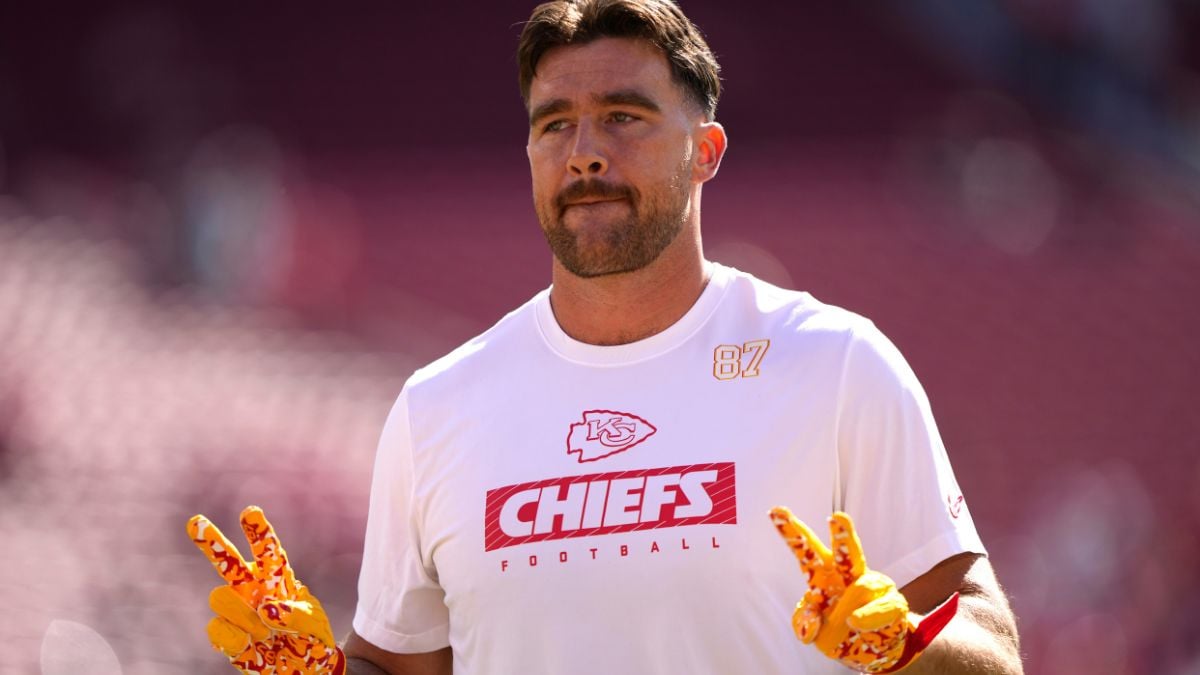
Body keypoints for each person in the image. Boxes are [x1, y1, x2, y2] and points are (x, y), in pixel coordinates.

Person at [189, 1, 1022, 673]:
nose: (584, 153)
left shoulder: (835, 365)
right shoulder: (438, 406)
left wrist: (911, 648)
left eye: (623, 117)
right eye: (555, 124)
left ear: (706, 150)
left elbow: (992, 648)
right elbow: (401, 663)